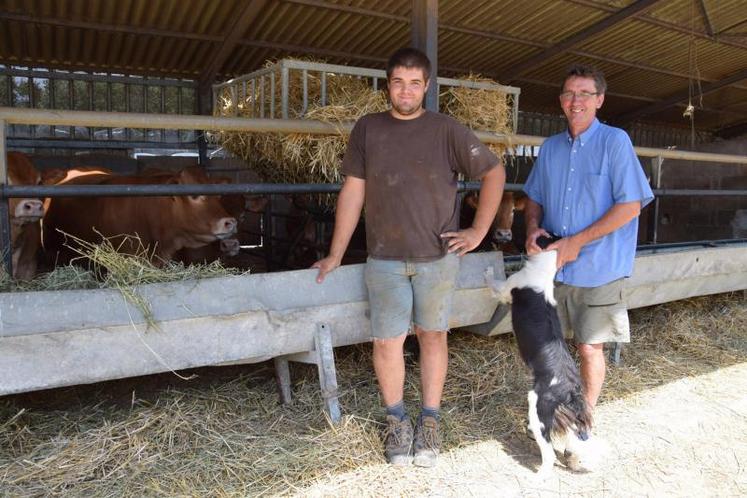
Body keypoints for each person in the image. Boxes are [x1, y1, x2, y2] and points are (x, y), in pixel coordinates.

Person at [313, 47, 505, 467]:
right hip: (383, 258)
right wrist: (335, 254)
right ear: (388, 85)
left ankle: (430, 420)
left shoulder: (447, 130)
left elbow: (494, 172)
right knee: (387, 340)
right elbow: (353, 191)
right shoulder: (368, 129)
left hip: (436, 258)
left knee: (433, 335)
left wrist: (477, 231)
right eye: (398, 81)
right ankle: (397, 421)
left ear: (427, 86)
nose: (406, 90)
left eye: (414, 83)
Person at [523, 64, 654, 416]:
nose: (575, 100)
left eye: (584, 93)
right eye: (569, 93)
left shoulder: (615, 141)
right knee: (552, 346)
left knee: (589, 347)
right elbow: (533, 196)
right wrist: (533, 227)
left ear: (599, 100)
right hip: (555, 266)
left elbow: (630, 205)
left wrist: (577, 241)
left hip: (599, 267)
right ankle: (557, 410)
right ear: (561, 101)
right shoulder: (550, 147)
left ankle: (585, 418)